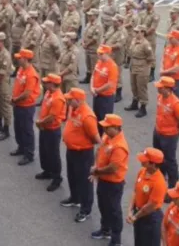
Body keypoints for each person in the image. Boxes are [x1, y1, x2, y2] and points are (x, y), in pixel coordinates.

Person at [61, 88, 101, 223]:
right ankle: (75, 198)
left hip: (83, 153)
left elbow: (96, 138)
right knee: (72, 175)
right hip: (71, 150)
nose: (68, 100)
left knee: (85, 181)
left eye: (70, 99)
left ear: (77, 100)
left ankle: (86, 209)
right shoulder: (73, 108)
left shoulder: (88, 116)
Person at [90, 114, 129, 245]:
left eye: (107, 127)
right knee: (103, 205)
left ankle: (116, 239)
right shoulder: (107, 137)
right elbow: (99, 151)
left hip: (113, 183)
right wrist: (96, 166)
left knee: (114, 210)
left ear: (116, 128)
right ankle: (105, 229)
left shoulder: (120, 146)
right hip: (103, 179)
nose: (104, 130)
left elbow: (113, 168)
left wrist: (97, 171)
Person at [126, 148, 167, 246]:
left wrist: (135, 216)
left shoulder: (159, 183)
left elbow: (150, 206)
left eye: (145, 161)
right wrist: (130, 210)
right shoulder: (142, 171)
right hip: (139, 213)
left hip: (150, 217)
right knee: (139, 241)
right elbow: (136, 191)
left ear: (153, 164)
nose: (142, 161)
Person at [153, 76, 179, 188]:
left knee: (169, 161)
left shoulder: (176, 104)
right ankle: (160, 183)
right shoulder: (159, 97)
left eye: (161, 87)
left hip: (169, 136)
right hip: (158, 132)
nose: (158, 89)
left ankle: (173, 186)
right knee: (158, 158)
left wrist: (174, 130)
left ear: (168, 89)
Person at [36, 73, 67, 192]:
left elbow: (52, 117)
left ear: (53, 84)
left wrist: (40, 122)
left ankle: (56, 178)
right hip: (44, 127)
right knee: (44, 151)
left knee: (53, 154)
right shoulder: (49, 93)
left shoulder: (58, 98)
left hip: (52, 129)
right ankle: (47, 171)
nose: (44, 83)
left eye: (47, 82)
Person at [11, 49, 41, 166]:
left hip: (26, 106)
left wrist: (15, 99)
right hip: (18, 104)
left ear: (25, 59)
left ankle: (29, 154)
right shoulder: (21, 69)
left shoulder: (31, 74)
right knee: (18, 127)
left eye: (20, 58)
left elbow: (27, 93)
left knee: (27, 130)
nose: (18, 59)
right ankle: (21, 147)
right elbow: (17, 85)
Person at [125, 25, 154, 117]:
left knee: (141, 88)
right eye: (135, 32)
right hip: (133, 66)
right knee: (134, 86)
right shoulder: (134, 41)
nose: (136, 33)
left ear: (143, 32)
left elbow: (150, 58)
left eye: (138, 32)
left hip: (142, 68)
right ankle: (135, 102)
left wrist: (145, 68)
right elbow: (130, 52)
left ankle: (143, 107)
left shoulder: (146, 44)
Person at [90, 45, 118, 136]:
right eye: (98, 53)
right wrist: (91, 88)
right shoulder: (99, 62)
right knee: (96, 117)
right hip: (97, 94)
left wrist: (97, 90)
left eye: (101, 54)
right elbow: (93, 75)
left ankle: (105, 137)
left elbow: (110, 84)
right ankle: (98, 135)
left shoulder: (112, 66)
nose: (99, 55)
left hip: (106, 97)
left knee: (105, 119)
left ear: (107, 54)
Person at [160, 30, 179, 99]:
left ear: (177, 39)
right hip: (166, 78)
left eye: (171, 38)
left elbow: (176, 69)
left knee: (174, 100)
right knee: (164, 99)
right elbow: (163, 59)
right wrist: (161, 68)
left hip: (176, 81)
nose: (169, 39)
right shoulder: (168, 47)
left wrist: (163, 72)